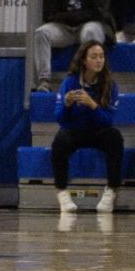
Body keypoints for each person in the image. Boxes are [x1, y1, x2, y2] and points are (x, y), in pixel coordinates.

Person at [51, 41, 122, 214]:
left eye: (101, 56)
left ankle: (111, 190)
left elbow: (108, 120)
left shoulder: (110, 85)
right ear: (84, 60)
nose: (99, 60)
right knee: (59, 141)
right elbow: (60, 119)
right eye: (94, 57)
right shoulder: (70, 82)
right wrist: (67, 104)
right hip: (75, 131)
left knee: (115, 137)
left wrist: (93, 106)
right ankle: (61, 191)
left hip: (99, 131)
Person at [34, 0, 112, 93]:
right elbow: (48, 11)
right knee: (41, 33)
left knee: (91, 32)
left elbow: (99, 12)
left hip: (88, 24)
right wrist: (70, 17)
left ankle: (90, 81)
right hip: (64, 27)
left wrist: (68, 16)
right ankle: (43, 81)